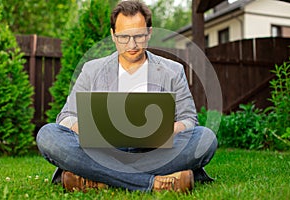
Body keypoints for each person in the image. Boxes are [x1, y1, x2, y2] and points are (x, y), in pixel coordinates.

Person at [36, 0, 217, 193]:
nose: (132, 44)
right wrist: (89, 131)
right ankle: (153, 183)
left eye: (138, 36)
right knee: (48, 135)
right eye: (124, 37)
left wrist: (167, 132)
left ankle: (96, 178)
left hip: (153, 153)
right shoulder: (92, 69)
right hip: (103, 151)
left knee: (205, 138)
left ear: (149, 33)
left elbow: (189, 119)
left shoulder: (172, 71)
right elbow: (66, 117)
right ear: (113, 35)